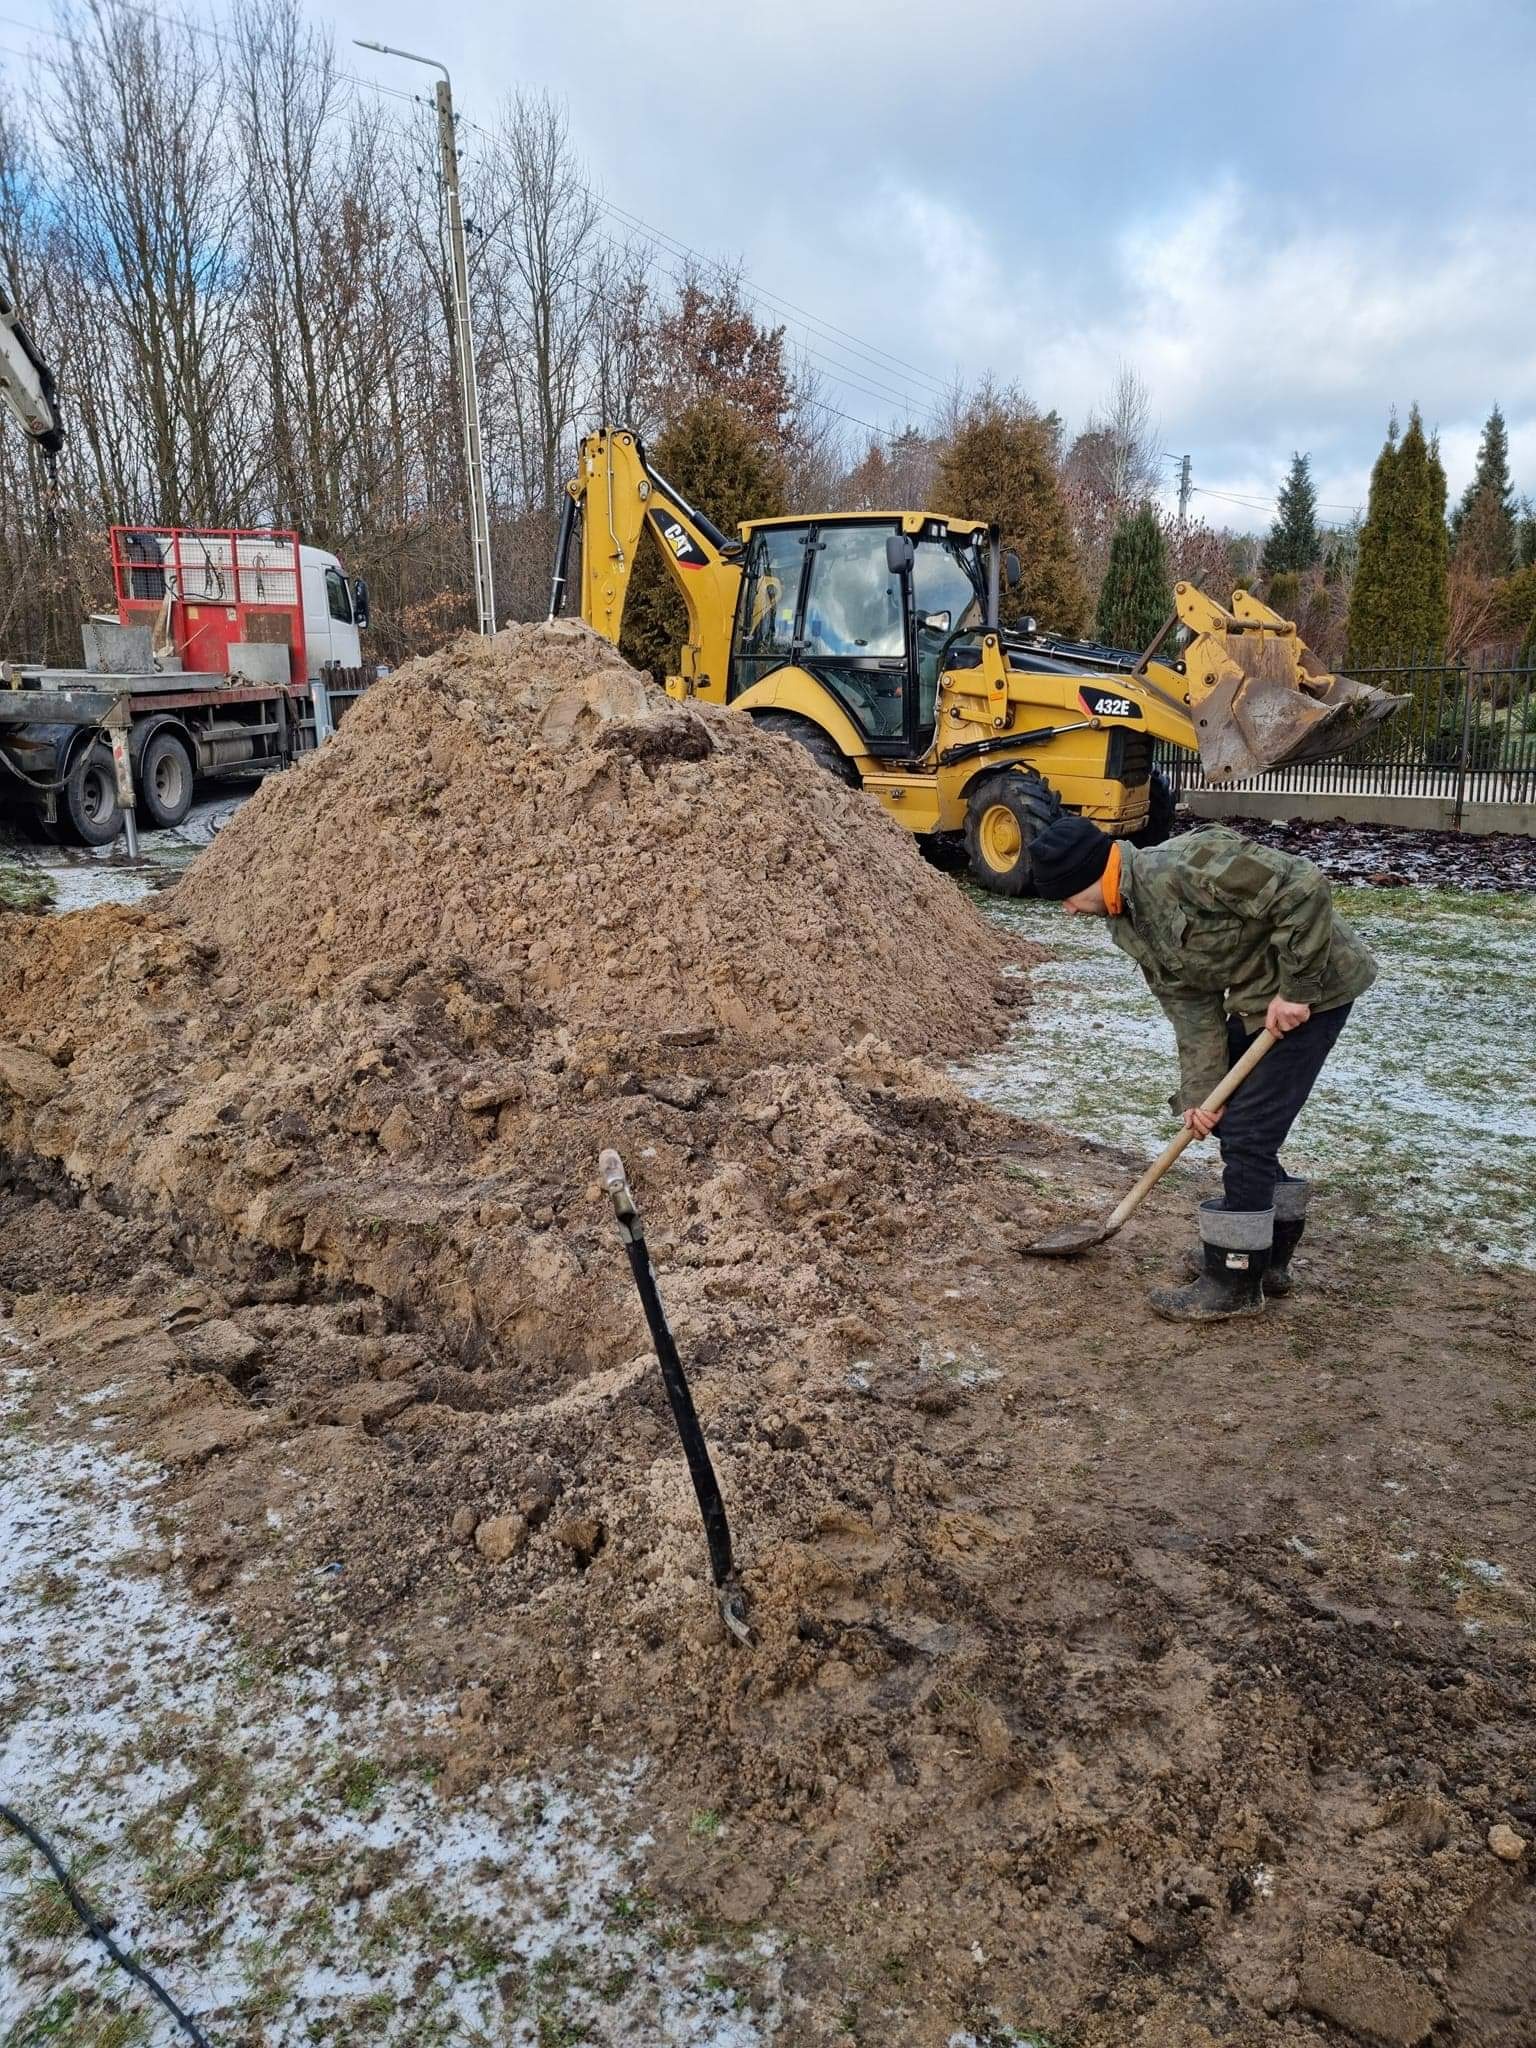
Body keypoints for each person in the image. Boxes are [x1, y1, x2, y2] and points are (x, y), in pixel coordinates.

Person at [1027, 814, 1377, 1321]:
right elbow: (1190, 1006)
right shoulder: (1129, 922)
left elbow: (1304, 886)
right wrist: (1200, 1092)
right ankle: (1269, 1258)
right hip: (1259, 997)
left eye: (1065, 896)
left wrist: (1297, 990)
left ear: (1090, 875)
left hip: (1318, 988)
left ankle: (1235, 1281)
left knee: (1250, 1135)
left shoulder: (1187, 868)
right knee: (1229, 1117)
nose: (1066, 910)